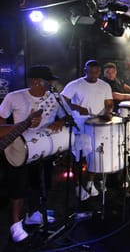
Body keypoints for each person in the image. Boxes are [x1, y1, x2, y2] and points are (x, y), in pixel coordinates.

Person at [0, 65, 66, 242]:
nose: (52, 84)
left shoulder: (53, 98)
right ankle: (15, 225)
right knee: (18, 188)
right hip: (17, 149)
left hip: (43, 148)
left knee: (39, 183)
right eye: (48, 80)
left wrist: (60, 121)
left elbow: (67, 114)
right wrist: (23, 125)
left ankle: (33, 214)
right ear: (36, 81)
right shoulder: (14, 97)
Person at [61, 60, 113, 200]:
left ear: (99, 72)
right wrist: (76, 108)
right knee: (79, 157)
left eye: (96, 72)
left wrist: (107, 112)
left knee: (95, 155)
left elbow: (109, 103)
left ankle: (90, 183)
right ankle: (78, 185)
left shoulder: (105, 86)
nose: (93, 75)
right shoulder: (75, 84)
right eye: (90, 72)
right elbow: (62, 100)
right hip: (80, 125)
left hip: (97, 126)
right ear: (85, 70)